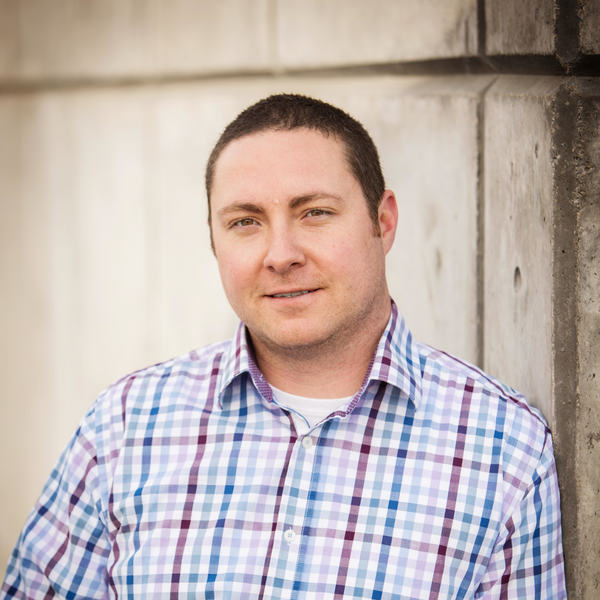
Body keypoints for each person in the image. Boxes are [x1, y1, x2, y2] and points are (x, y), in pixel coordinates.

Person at [2, 94, 565, 599]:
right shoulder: (125, 426)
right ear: (214, 241)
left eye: (314, 212)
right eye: (245, 222)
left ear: (384, 221)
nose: (280, 255)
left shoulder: (506, 451)